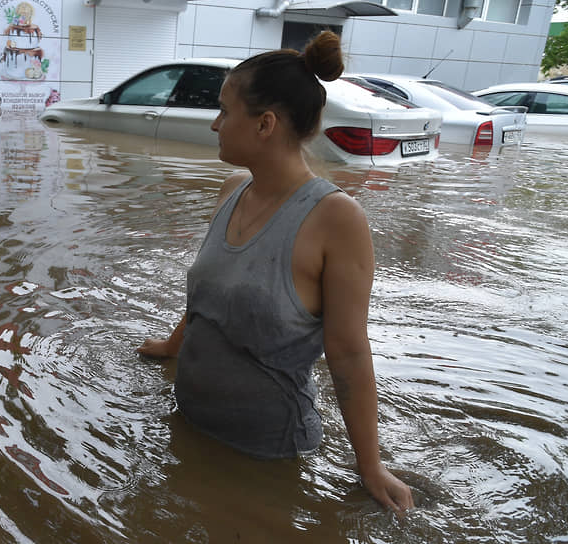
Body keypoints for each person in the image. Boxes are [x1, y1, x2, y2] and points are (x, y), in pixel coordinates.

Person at [136, 31, 414, 515]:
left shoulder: (336, 218)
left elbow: (348, 352)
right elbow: (211, 294)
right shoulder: (231, 189)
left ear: (265, 124)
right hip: (190, 422)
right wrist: (171, 346)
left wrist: (370, 466)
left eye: (225, 111)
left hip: (266, 453)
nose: (215, 125)